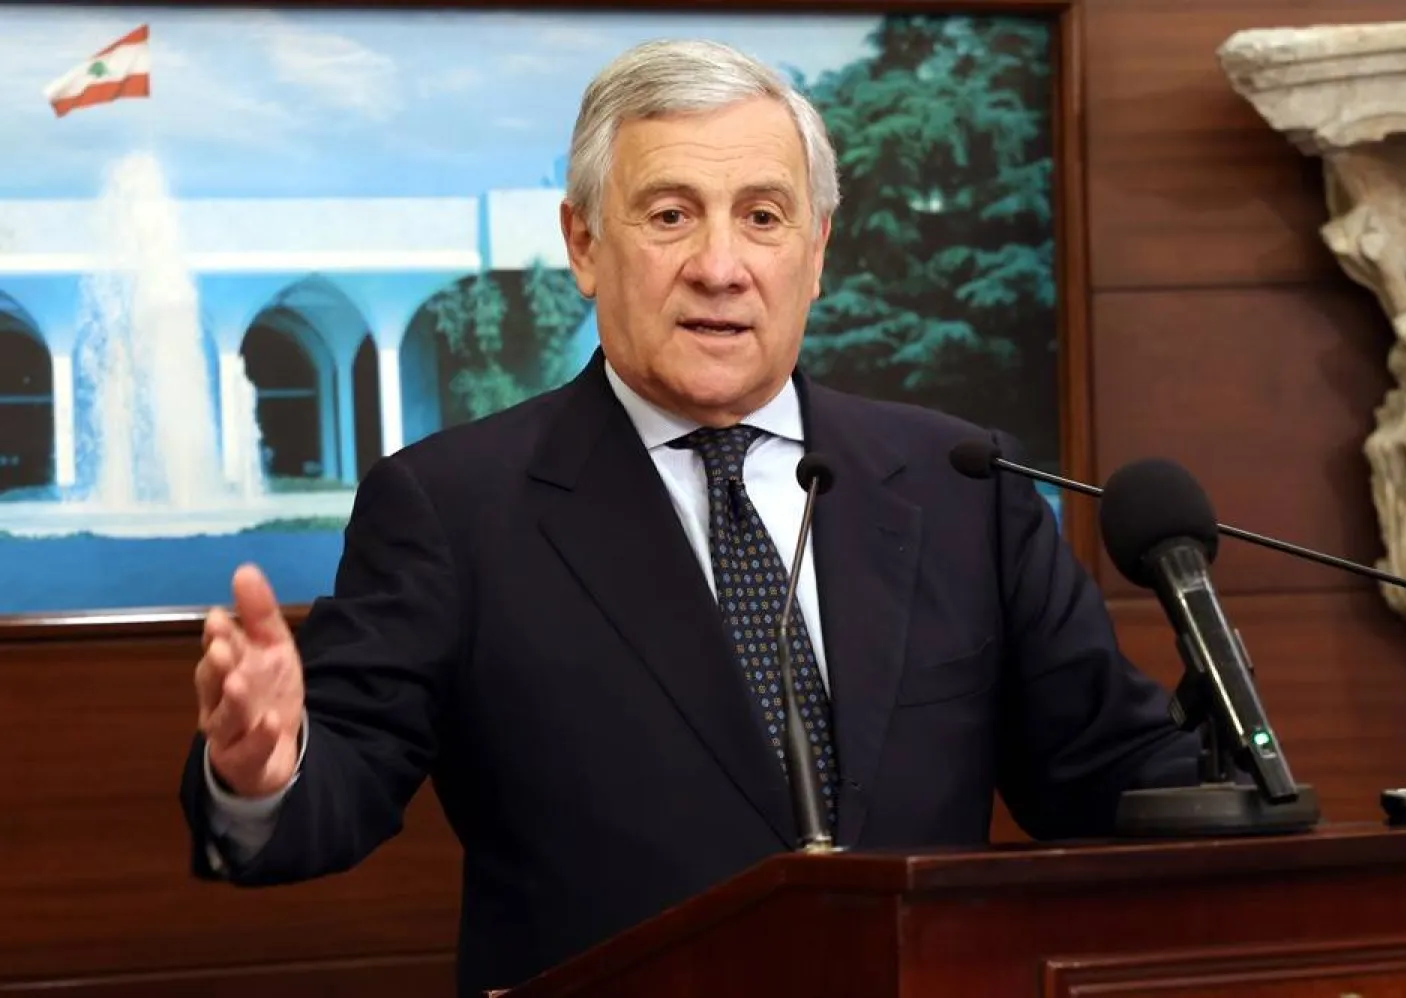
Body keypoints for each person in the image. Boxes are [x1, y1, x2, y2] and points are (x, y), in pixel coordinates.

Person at [182, 37, 1200, 996]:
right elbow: (341, 782)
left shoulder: (957, 479)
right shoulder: (453, 506)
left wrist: (1256, 791)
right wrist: (266, 763)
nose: (722, 264)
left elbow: (1110, 775)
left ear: (817, 247)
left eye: (763, 215)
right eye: (671, 214)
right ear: (583, 242)